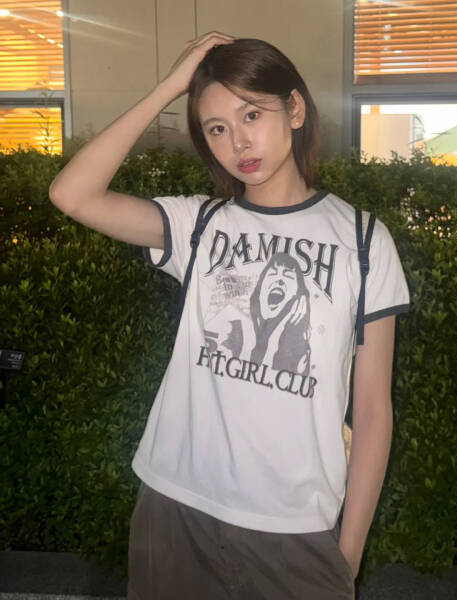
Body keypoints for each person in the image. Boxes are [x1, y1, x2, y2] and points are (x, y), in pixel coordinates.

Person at [49, 31, 410, 600]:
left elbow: (371, 410)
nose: (238, 141)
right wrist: (171, 86)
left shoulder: (363, 242)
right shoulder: (199, 225)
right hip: (175, 510)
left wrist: (349, 553)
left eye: (252, 114)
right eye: (216, 128)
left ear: (294, 109)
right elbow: (73, 194)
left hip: (294, 528)